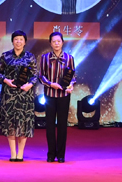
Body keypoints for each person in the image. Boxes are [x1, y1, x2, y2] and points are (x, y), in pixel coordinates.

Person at [0, 30, 38, 162]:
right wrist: (6, 80)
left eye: (21, 39)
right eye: (16, 39)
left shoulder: (30, 57)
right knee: (10, 124)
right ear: (12, 41)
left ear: (25, 42)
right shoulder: (5, 56)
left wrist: (30, 85)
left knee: (23, 123)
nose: (18, 42)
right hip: (9, 94)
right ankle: (13, 153)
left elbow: (35, 75)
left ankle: (21, 154)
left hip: (25, 95)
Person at [39, 31, 75, 163]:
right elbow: (41, 76)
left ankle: (61, 155)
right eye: (54, 41)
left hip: (64, 95)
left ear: (62, 42)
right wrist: (50, 84)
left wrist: (71, 85)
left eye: (58, 41)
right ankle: (50, 154)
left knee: (62, 125)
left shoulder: (69, 58)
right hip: (50, 95)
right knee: (49, 124)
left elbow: (73, 76)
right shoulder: (45, 58)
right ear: (50, 43)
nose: (56, 43)